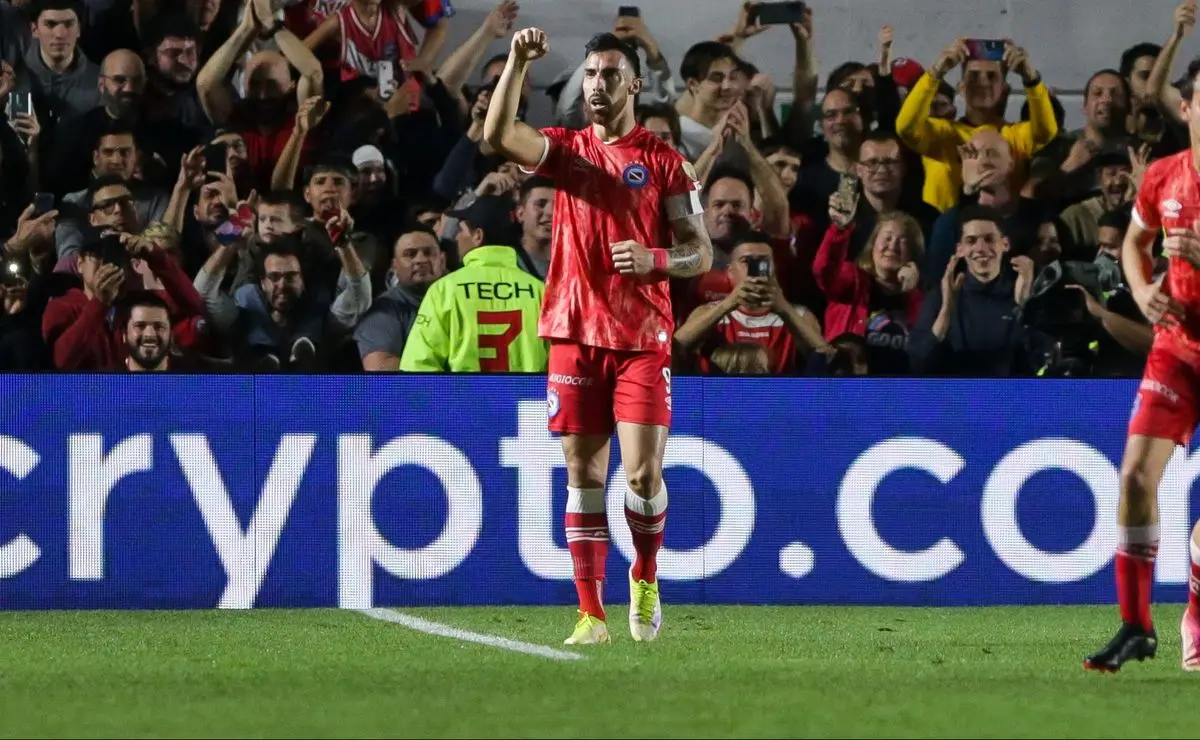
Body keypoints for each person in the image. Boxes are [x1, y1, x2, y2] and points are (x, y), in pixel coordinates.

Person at [483, 28, 713, 645]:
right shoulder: (567, 151)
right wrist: (517, 61)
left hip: (642, 335)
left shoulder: (667, 162)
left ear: (634, 84)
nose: (597, 84)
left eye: (610, 74)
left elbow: (700, 253)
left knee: (640, 475)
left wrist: (655, 260)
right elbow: (497, 136)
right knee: (583, 472)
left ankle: (644, 573)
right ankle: (591, 615)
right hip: (573, 331)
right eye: (589, 74)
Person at [1084, 56, 1200, 673]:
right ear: (1187, 108)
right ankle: (1136, 625)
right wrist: (1140, 290)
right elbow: (1135, 241)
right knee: (1133, 478)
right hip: (1179, 347)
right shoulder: (1163, 176)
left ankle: (1196, 615)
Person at [399, 195, 547, 372]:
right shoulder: (541, 292)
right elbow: (563, 371)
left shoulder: (445, 290)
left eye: (461, 231)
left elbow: (417, 369)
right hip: (528, 399)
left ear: (478, 236)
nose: (458, 238)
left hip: (465, 399)